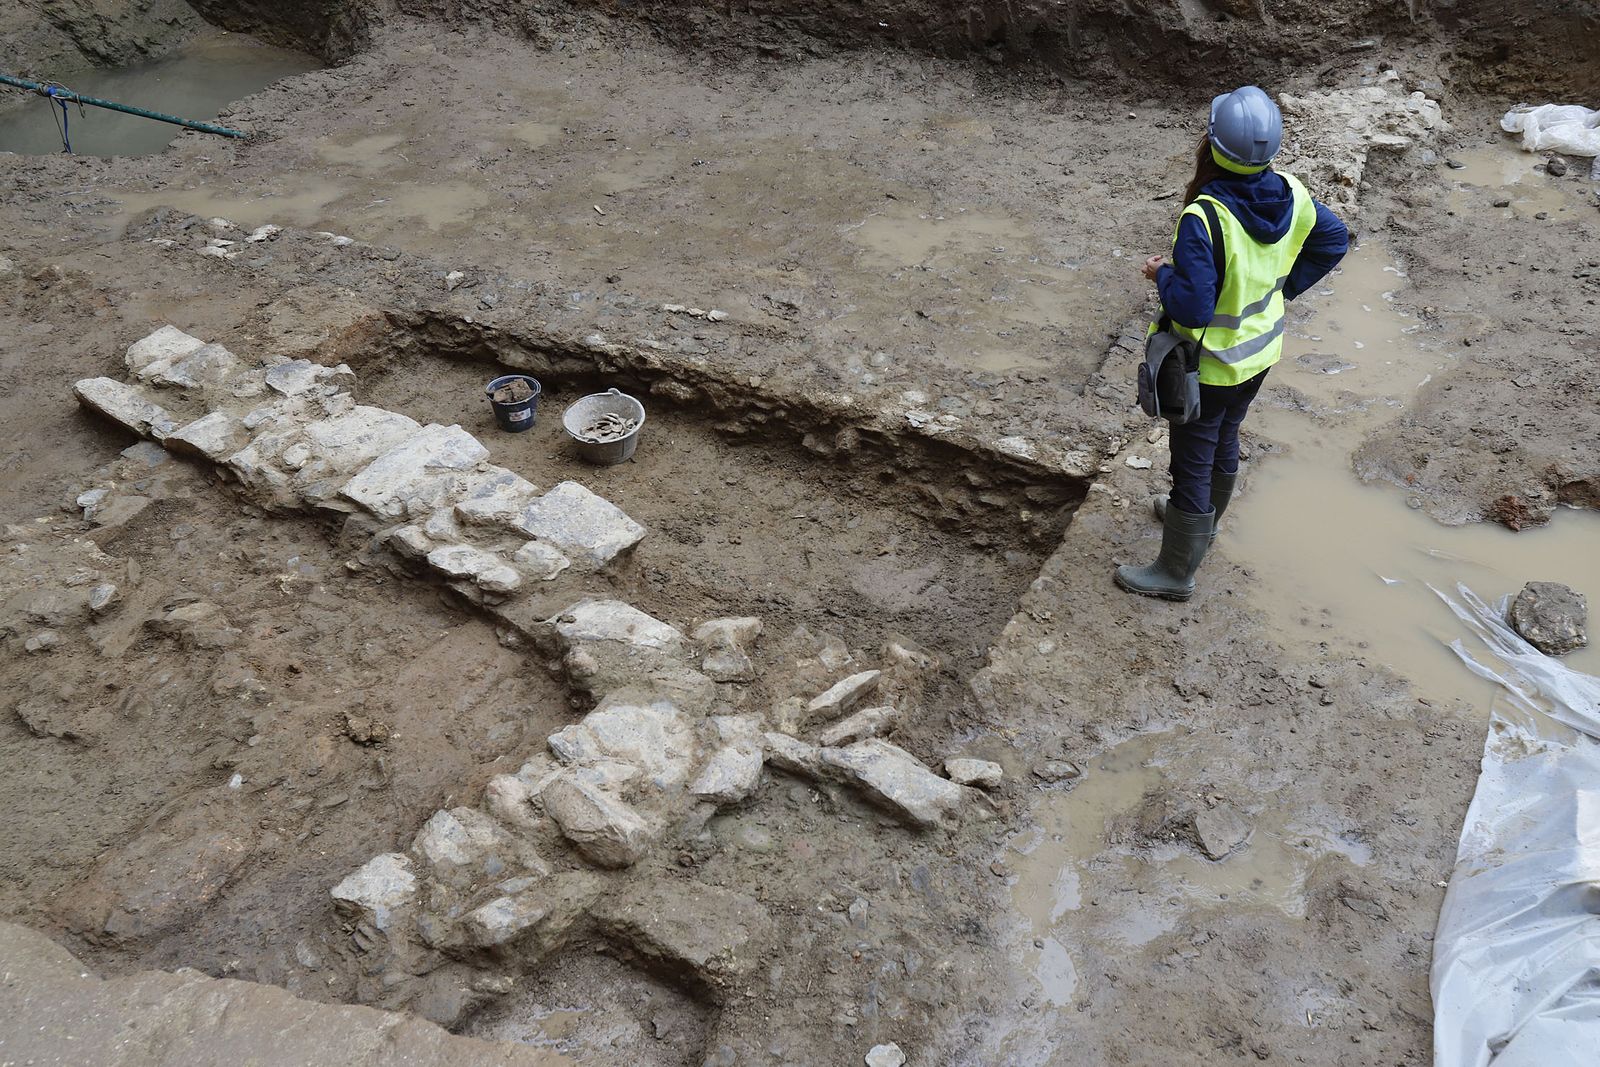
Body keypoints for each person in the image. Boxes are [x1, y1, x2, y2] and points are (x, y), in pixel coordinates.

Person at [1115, 85, 1349, 601]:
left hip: (1211, 365)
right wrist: (1281, 291)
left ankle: (1176, 572)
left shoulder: (1205, 217)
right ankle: (1206, 524)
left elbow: (1193, 308)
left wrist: (1161, 274)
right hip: (1259, 354)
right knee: (1225, 437)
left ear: (1212, 143)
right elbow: (1334, 240)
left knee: (1192, 461)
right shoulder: (1293, 193)